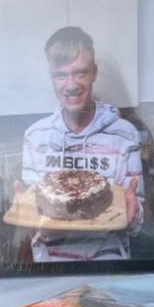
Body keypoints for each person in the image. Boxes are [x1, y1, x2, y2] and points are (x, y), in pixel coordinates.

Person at [17, 26, 145, 262]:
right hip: (49, 264)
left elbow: (137, 219)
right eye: (61, 75)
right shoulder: (35, 136)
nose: (71, 85)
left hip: (110, 262)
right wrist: (32, 220)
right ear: (51, 78)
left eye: (80, 73)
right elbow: (34, 210)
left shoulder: (125, 135)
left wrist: (133, 214)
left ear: (94, 72)